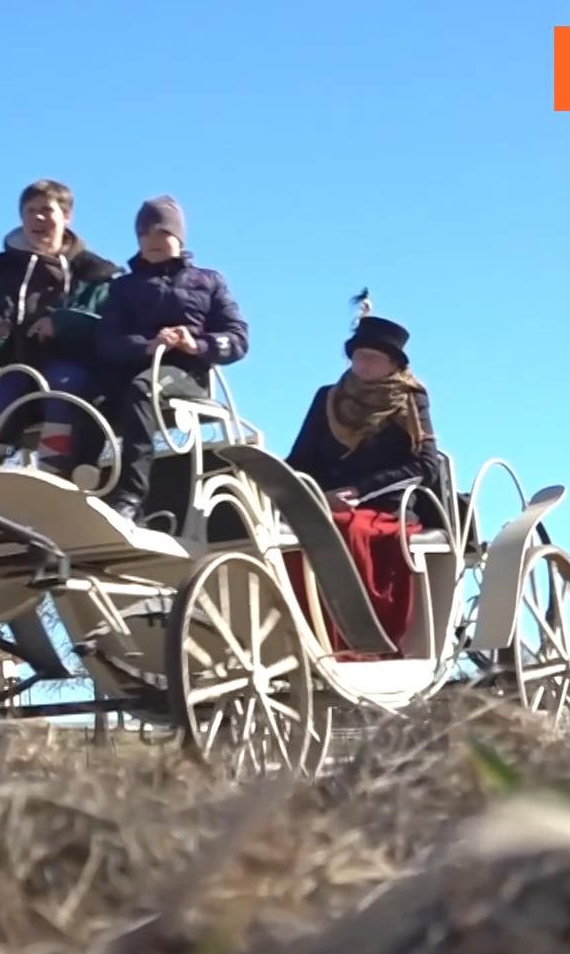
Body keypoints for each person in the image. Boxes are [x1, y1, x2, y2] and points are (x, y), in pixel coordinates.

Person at [283, 312, 444, 652]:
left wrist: (359, 492)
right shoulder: (327, 397)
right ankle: (304, 635)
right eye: (358, 356)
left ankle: (363, 641)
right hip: (324, 503)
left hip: (386, 509)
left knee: (345, 530)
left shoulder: (411, 400)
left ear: (392, 364)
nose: (362, 364)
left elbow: (424, 465)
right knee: (286, 535)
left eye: (372, 358)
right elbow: (301, 459)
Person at [84, 194, 249, 520]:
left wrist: (197, 345)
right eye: (144, 233)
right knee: (85, 400)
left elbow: (239, 339)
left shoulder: (209, 282)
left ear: (178, 237)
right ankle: (77, 488)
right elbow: (107, 340)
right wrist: (146, 345)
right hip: (129, 373)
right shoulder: (123, 287)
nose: (152, 240)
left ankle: (131, 498)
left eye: (162, 232)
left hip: (186, 375)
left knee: (144, 390)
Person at [0, 178, 119, 476]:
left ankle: (56, 478)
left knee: (64, 387)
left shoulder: (95, 272)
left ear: (66, 217)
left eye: (47, 210)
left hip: (72, 368)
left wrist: (63, 325)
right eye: (31, 210)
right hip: (11, 364)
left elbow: (109, 330)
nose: (38, 218)